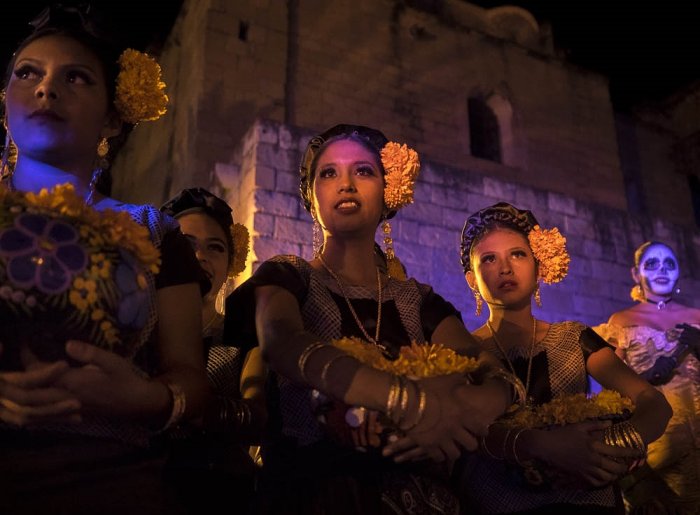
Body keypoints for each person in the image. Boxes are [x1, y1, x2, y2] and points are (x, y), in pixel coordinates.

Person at [226, 124, 516, 514]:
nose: (345, 184)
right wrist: (408, 402)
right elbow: (282, 343)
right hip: (312, 493)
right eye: (328, 173)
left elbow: (491, 372)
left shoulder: (418, 301)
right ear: (312, 197)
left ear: (388, 192)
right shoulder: (288, 277)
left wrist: (463, 410)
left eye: (363, 171)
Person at [0, 5, 209, 513]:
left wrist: (145, 398)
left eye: (76, 77)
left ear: (113, 115)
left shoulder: (155, 233)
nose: (47, 89)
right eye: (29, 73)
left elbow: (189, 376)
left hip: (110, 482)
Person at [455, 203, 671, 514]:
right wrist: (540, 446)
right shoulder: (460, 351)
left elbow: (653, 401)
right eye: (489, 258)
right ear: (472, 280)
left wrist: (607, 446)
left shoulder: (573, 337)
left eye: (517, 254)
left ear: (538, 266)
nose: (505, 268)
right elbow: (460, 428)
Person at [160, 187, 266, 514]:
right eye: (186, 244)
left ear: (229, 264)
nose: (200, 256)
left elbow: (259, 417)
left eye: (215, 248)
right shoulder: (139, 329)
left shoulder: (242, 337)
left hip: (219, 492)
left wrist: (183, 409)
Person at [595, 241, 700, 514]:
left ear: (678, 272)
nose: (661, 270)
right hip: (657, 443)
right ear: (635, 273)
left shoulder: (696, 317)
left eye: (669, 263)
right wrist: (648, 375)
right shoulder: (621, 321)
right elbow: (611, 391)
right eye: (651, 264)